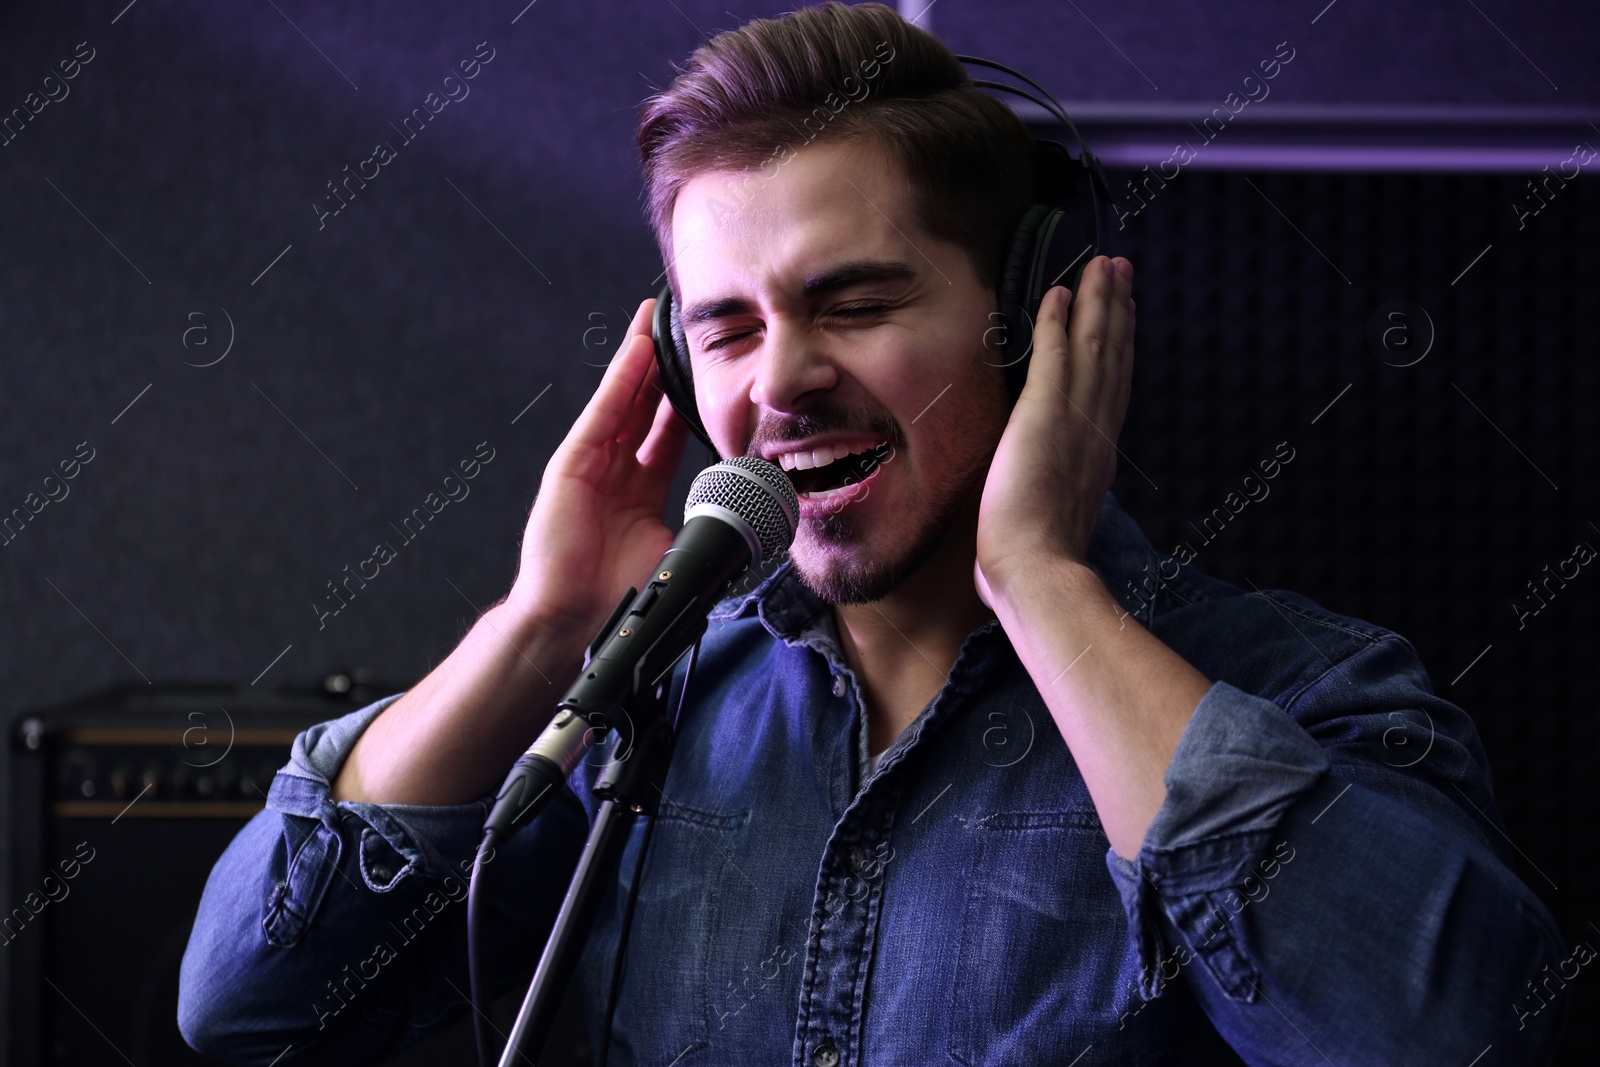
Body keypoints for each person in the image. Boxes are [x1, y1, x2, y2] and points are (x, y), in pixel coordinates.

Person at [179, 3, 1569, 1064]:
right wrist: (541, 623)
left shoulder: (1307, 694)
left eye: (852, 302)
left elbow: (1455, 1034)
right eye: (726, 327)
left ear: (1031, 324)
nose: (777, 380)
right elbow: (241, 1007)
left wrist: (1045, 587)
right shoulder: (625, 718)